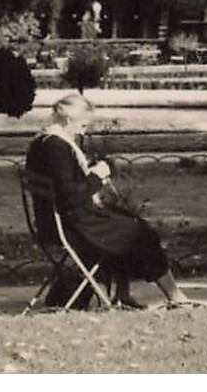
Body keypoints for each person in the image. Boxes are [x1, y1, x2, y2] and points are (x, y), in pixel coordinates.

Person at [25, 94, 193, 309]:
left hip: (55, 221)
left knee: (129, 224)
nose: (83, 131)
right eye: (83, 125)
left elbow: (65, 186)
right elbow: (71, 195)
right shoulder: (57, 147)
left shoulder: (42, 141)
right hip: (73, 223)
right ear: (69, 120)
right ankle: (174, 295)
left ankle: (122, 295)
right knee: (140, 233)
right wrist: (98, 175)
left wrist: (90, 175)